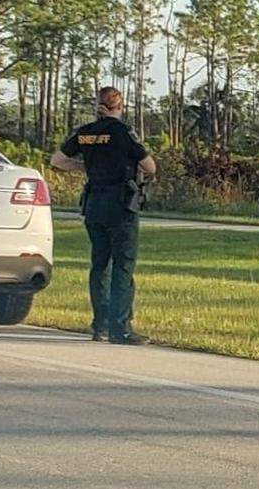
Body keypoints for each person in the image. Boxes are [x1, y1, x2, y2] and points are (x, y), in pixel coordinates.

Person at [51, 86, 156, 345]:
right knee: (122, 266)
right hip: (121, 207)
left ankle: (100, 326)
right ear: (119, 106)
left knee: (99, 265)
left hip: (94, 205)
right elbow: (150, 166)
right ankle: (120, 328)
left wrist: (85, 165)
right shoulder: (123, 132)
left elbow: (57, 160)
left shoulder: (85, 133)